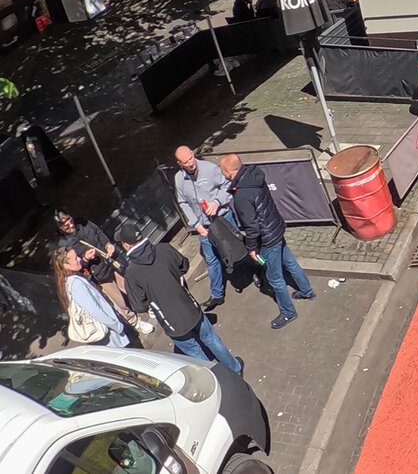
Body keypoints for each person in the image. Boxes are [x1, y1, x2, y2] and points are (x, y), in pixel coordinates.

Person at [118, 222, 243, 375]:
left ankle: (219, 380)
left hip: (171, 322)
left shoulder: (131, 274)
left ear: (126, 245)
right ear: (142, 236)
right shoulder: (164, 249)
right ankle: (235, 368)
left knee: (196, 354)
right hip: (190, 307)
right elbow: (184, 265)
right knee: (211, 338)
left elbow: (139, 306)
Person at [222, 154, 315, 330]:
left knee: (275, 278)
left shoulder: (241, 195)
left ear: (228, 171)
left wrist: (252, 248)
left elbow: (252, 227)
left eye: (222, 170)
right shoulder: (254, 175)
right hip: (276, 227)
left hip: (267, 239)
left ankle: (288, 312)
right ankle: (307, 291)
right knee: (290, 263)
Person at [54, 210, 152, 335]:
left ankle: (147, 305)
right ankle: (134, 321)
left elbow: (99, 232)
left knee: (131, 286)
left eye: (69, 219)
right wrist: (85, 259)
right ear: (60, 228)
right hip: (99, 273)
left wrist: (107, 244)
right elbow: (75, 266)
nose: (70, 224)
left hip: (112, 262)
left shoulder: (83, 223)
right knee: (119, 301)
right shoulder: (64, 245)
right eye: (65, 224)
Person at [172, 146, 237, 311]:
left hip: (222, 219)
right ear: (180, 163)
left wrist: (216, 203)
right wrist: (196, 225)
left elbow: (228, 186)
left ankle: (256, 273)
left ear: (193, 154)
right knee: (211, 259)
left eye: (191, 158)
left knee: (237, 248)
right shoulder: (179, 179)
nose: (190, 164)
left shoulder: (210, 169)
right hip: (204, 227)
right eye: (185, 162)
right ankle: (217, 295)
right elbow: (183, 202)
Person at [52, 246, 130, 348]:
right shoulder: (76, 284)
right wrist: (117, 326)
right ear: (66, 266)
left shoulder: (69, 279)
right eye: (75, 258)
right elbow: (95, 310)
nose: (79, 259)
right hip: (109, 333)